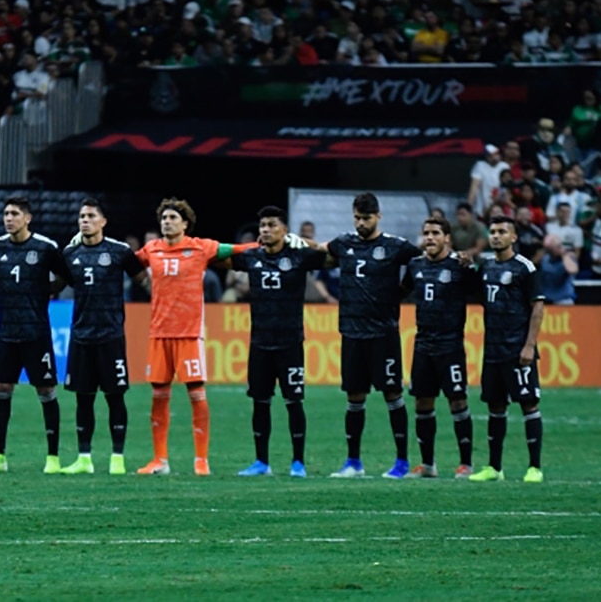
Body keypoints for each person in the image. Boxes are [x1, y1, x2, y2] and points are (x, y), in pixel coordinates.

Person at [134, 198, 259, 476]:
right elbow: (127, 261)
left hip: (189, 333)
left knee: (196, 394)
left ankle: (201, 460)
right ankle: (160, 460)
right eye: (164, 218)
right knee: (158, 396)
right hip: (159, 333)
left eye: (172, 218)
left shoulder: (201, 247)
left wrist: (263, 243)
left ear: (185, 224)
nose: (167, 222)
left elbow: (235, 249)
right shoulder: (151, 249)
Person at [320, 193, 423, 479]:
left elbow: (422, 262)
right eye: (357, 218)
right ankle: (353, 462)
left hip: (383, 334)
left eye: (366, 218)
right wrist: (292, 241)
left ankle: (401, 462)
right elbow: (320, 249)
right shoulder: (344, 243)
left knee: (392, 394)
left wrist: (403, 290)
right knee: (354, 396)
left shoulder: (394, 246)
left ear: (378, 216)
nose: (361, 224)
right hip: (352, 332)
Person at [0, 197, 70, 474]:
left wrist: (45, 290)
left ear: (27, 218)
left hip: (36, 332)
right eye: (6, 213)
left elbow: (66, 276)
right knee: (2, 389)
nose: (9, 218)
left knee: (46, 391)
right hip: (7, 333)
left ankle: (53, 458)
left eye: (14, 214)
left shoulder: (45, 247)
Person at [230, 206, 326, 478]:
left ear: (284, 230)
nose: (266, 230)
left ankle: (298, 463)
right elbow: (217, 257)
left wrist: (305, 241)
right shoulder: (251, 257)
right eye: (263, 225)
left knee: (293, 402)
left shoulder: (299, 256)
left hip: (290, 343)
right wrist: (247, 245)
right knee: (260, 403)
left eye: (272, 225)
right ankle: (261, 462)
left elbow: (331, 255)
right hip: (260, 344)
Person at [59, 199, 148, 475]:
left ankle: (117, 458)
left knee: (114, 397)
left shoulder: (120, 252)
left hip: (111, 336)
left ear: (103, 221)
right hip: (81, 336)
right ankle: (84, 458)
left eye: (90, 216)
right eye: (82, 216)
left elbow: (144, 281)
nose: (85, 220)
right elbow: (58, 284)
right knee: (83, 398)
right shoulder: (70, 253)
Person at [401, 216, 480, 480]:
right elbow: (400, 292)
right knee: (422, 402)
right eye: (426, 233)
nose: (430, 238)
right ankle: (427, 465)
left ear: (447, 238)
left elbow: (479, 291)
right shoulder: (415, 265)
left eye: (435, 233)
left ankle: (466, 464)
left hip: (450, 346)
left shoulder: (459, 266)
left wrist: (472, 266)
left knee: (457, 400)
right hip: (423, 346)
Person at [471, 216, 546, 483]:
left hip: (517, 350)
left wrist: (529, 346)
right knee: (495, 405)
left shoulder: (525, 267)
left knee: (528, 404)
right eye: (492, 231)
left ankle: (534, 467)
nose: (496, 235)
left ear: (513, 237)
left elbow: (538, 307)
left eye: (502, 231)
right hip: (493, 350)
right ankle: (494, 468)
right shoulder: (486, 266)